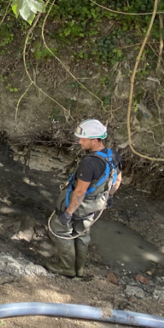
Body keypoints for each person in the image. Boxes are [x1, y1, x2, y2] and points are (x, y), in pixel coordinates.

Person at [46, 118, 122, 278]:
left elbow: (80, 192)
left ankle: (67, 267)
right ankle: (78, 269)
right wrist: (109, 196)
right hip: (97, 203)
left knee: (60, 229)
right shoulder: (113, 155)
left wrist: (68, 213)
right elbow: (117, 180)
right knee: (82, 232)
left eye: (83, 139)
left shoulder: (89, 163)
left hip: (81, 204)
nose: (79, 142)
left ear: (94, 140)